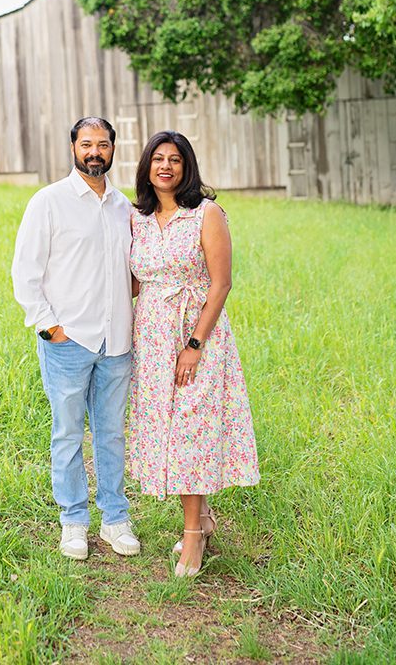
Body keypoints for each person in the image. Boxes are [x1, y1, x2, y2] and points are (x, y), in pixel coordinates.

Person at [128, 130, 259, 576]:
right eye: (158, 158)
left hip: (195, 338)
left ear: (187, 168)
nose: (166, 166)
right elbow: (134, 281)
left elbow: (221, 283)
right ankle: (201, 520)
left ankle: (192, 539)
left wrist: (194, 345)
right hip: (150, 342)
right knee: (167, 431)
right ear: (147, 167)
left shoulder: (207, 214)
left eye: (175, 160)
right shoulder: (137, 219)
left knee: (190, 432)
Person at [11, 117, 140, 561]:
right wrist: (50, 327)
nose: (95, 152)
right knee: (67, 434)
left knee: (110, 434)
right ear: (73, 147)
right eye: (87, 144)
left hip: (117, 342)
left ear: (113, 151)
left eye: (103, 145)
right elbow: (25, 272)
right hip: (68, 342)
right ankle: (73, 522)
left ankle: (115, 519)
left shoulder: (126, 207)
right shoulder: (49, 202)